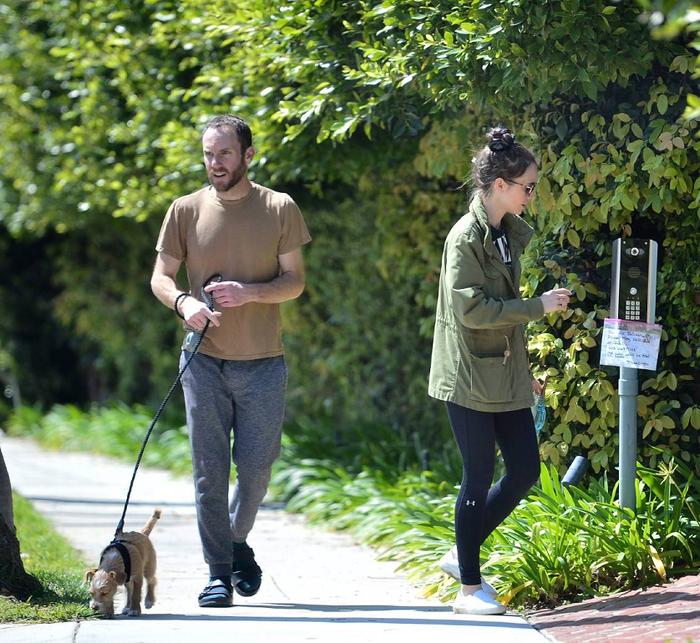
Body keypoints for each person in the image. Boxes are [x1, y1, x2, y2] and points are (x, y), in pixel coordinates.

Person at [150, 114, 311, 608]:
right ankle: (218, 572)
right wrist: (184, 303)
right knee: (209, 472)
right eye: (207, 154)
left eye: (223, 154)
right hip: (203, 361)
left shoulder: (278, 208)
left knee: (258, 468)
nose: (214, 164)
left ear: (247, 155)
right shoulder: (184, 210)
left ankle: (237, 539)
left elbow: (295, 281)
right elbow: (161, 277)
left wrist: (249, 293)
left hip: (263, 361)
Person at [428, 127, 571, 615]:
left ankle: (460, 553)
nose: (533, 195)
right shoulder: (464, 238)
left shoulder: (504, 232)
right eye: (528, 186)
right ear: (500, 186)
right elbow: (472, 310)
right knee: (478, 474)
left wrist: (523, 372)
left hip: (504, 374)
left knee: (526, 470)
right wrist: (538, 305)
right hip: (467, 375)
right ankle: (468, 588)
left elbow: (501, 315)